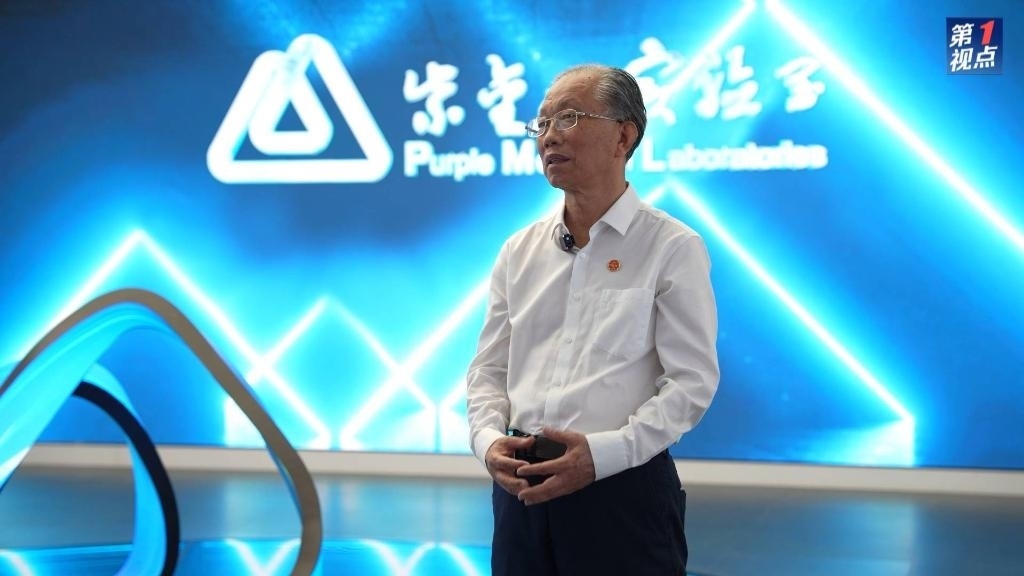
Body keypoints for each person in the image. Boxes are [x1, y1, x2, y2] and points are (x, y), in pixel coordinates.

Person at [465, 63, 720, 576]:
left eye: (569, 118)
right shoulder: (519, 251)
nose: (549, 137)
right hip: (520, 493)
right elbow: (487, 372)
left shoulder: (671, 246)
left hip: (621, 492)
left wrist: (603, 455)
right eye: (542, 123)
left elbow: (692, 383)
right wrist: (488, 443)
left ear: (624, 136)